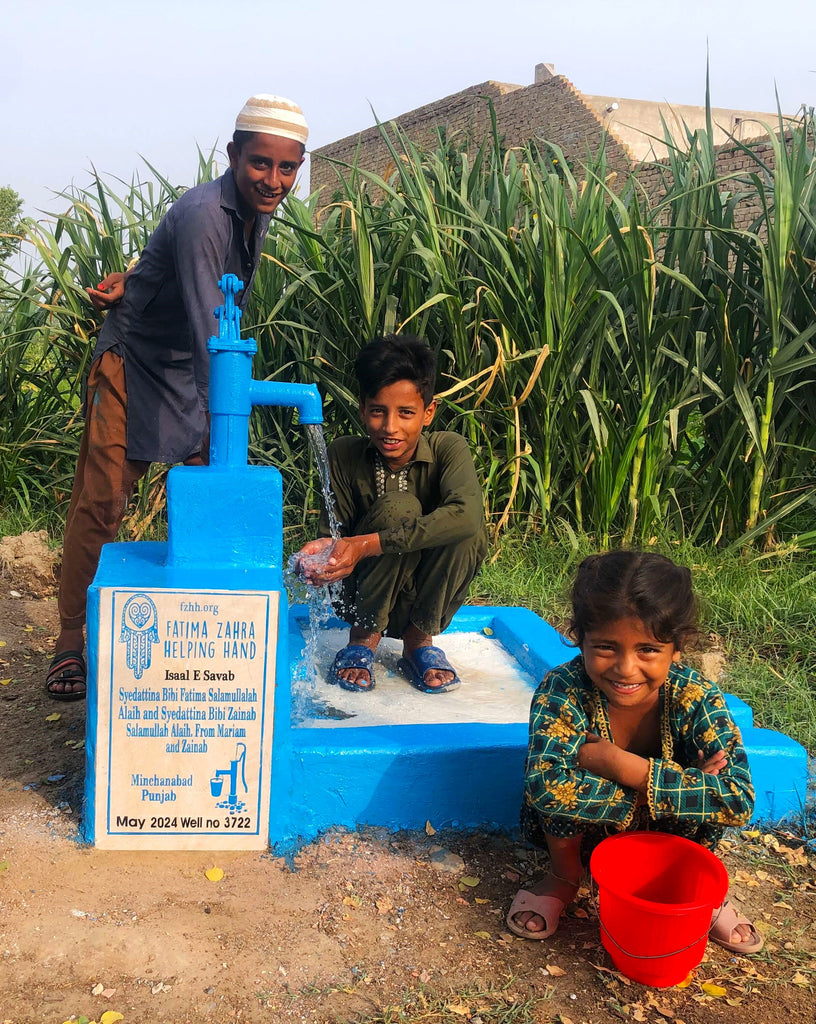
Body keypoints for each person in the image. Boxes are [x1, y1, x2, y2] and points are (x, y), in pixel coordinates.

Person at [46, 94, 308, 701]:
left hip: (194, 359)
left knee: (202, 495)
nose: (274, 180)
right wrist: (228, 415)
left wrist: (135, 273)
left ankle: (193, 638)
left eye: (287, 168)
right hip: (135, 360)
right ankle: (69, 642)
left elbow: (208, 295)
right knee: (104, 499)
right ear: (234, 155)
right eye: (261, 164)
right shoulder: (204, 213)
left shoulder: (253, 211)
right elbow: (206, 318)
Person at [506, 550, 763, 954]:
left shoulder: (697, 698)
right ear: (580, 640)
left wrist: (618, 764)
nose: (626, 668)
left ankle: (693, 890)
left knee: (712, 804)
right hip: (582, 840)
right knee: (558, 792)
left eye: (647, 650)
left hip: (672, 844)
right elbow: (546, 788)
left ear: (677, 647)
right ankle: (565, 878)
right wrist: (684, 786)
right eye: (606, 647)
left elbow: (738, 800)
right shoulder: (563, 690)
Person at [295, 335, 488, 694]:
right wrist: (321, 558)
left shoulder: (449, 449)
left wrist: (366, 544)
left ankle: (419, 640)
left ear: (428, 413)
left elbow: (466, 516)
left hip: (423, 596)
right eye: (378, 411)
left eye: (406, 413)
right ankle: (364, 638)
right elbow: (335, 535)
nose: (390, 427)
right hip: (362, 594)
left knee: (469, 529)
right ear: (362, 409)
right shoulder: (343, 454)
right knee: (400, 507)